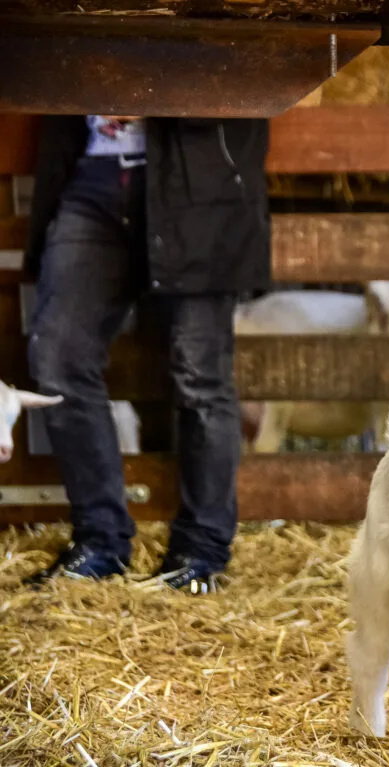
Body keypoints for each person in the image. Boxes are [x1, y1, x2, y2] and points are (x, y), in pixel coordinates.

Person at [21, 114, 271, 593]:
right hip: (93, 178)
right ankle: (100, 542)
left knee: (199, 373)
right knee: (58, 356)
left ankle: (201, 551)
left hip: (199, 184)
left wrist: (150, 93)